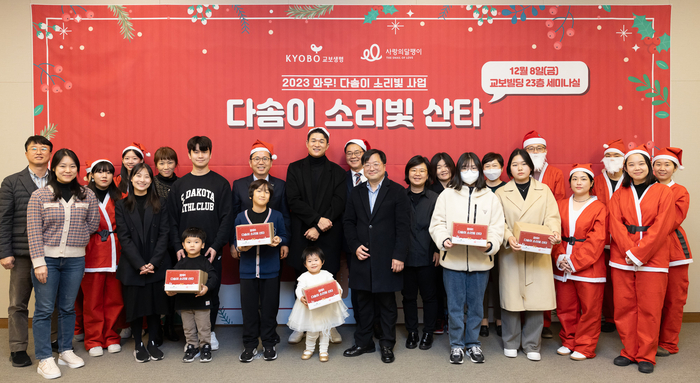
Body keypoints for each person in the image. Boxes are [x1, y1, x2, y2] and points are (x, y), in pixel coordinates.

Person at [27, 148, 100, 379]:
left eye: (72, 166)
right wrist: (39, 262)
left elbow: (93, 223)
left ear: (77, 169)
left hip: (75, 260)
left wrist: (76, 241)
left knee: (68, 308)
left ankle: (65, 350)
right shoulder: (40, 196)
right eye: (62, 166)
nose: (67, 170)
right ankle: (44, 358)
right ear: (54, 168)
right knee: (45, 309)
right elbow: (33, 232)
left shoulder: (87, 194)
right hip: (46, 259)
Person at [430, 152, 505, 364]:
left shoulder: (490, 197)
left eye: (473, 168)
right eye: (465, 168)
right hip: (452, 260)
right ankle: (456, 344)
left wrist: (491, 244)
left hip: (481, 262)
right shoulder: (447, 195)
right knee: (454, 306)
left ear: (480, 171)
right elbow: (437, 224)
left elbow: (497, 228)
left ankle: (473, 343)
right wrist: (443, 239)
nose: (469, 172)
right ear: (458, 170)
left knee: (476, 306)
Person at [608, 144, 675, 374]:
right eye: (631, 164)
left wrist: (639, 253)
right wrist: (629, 252)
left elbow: (663, 226)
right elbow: (615, 225)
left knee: (650, 308)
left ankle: (646, 354)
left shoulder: (664, 192)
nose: (636, 168)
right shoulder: (619, 193)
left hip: (653, 257)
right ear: (626, 168)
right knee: (624, 307)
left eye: (641, 163)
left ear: (649, 166)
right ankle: (629, 351)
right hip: (622, 258)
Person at [343, 149, 410, 363]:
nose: (371, 168)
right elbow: (348, 223)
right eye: (367, 164)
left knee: (387, 303)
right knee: (362, 303)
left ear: (384, 166)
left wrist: (399, 255)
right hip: (362, 256)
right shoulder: (356, 192)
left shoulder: (397, 192)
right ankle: (364, 342)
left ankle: (387, 344)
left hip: (387, 258)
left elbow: (403, 226)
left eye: (375, 164)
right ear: (363, 168)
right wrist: (354, 246)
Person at [495, 149, 561, 362]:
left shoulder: (544, 190)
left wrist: (553, 233)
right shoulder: (501, 193)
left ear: (531, 167)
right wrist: (507, 236)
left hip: (538, 251)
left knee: (536, 299)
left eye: (524, 164)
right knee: (511, 299)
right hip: (511, 252)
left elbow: (552, 217)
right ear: (509, 169)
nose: (520, 168)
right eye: (515, 164)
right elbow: (498, 221)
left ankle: (533, 343)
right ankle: (511, 342)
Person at [168, 136, 233, 351]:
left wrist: (216, 245)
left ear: (210, 153)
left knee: (211, 291)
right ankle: (191, 338)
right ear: (189, 155)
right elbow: (172, 220)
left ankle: (210, 332)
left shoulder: (221, 183)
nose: (200, 155)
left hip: (211, 252)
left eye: (204, 151)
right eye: (195, 151)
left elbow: (227, 218)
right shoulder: (179, 185)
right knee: (186, 295)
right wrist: (178, 246)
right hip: (186, 253)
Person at [285, 127, 346, 344]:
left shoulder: (338, 172)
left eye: (322, 141)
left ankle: (330, 326)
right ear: (307, 143)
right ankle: (301, 326)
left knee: (328, 279)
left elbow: (339, 201)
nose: (317, 144)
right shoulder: (294, 168)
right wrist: (315, 221)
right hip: (302, 231)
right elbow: (293, 199)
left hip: (328, 233)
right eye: (314, 140)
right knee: (302, 279)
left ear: (328, 145)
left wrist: (320, 227)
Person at [0, 135, 53, 368]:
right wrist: (4, 252)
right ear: (26, 153)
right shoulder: (11, 182)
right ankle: (18, 348)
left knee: (50, 301)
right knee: (18, 303)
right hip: (21, 253)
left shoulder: (60, 180)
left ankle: (52, 343)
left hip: (51, 251)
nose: (39, 152)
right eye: (34, 148)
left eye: (44, 148)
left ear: (51, 153)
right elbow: (4, 219)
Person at [115, 163, 171, 363]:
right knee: (136, 306)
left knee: (156, 306)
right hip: (133, 265)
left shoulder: (161, 203)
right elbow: (124, 237)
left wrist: (154, 262)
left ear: (151, 180)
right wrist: (140, 264)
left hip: (157, 262)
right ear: (131, 179)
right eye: (138, 176)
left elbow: (165, 233)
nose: (142, 180)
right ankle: (138, 343)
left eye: (147, 176)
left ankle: (153, 342)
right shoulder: (121, 205)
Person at [551, 164, 607, 361]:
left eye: (583, 178)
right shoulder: (560, 204)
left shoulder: (599, 207)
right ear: (570, 183)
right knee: (565, 306)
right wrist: (559, 257)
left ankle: (585, 346)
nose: (579, 182)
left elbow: (597, 239)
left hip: (588, 266)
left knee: (590, 308)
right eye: (575, 179)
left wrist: (574, 261)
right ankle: (569, 340)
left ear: (591, 182)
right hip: (562, 262)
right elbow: (554, 232)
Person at [232, 179, 287, 362]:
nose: (262, 194)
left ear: (270, 197)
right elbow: (236, 242)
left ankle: (269, 344)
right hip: (247, 270)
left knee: (269, 309)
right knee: (249, 310)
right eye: (258, 191)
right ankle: (250, 345)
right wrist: (241, 248)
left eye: (266, 192)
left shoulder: (276, 215)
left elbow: (284, 235)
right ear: (250, 195)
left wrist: (279, 240)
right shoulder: (241, 217)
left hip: (270, 270)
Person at [79, 159, 125, 357]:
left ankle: (112, 336)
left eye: (108, 172)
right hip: (91, 251)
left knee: (115, 299)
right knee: (92, 300)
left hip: (116, 250)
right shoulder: (81, 196)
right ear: (91, 175)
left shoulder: (121, 196)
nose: (104, 176)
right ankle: (94, 339)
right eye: (99, 172)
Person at [522, 130, 564, 339]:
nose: (535, 152)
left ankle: (545, 322)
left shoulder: (555, 174)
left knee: (543, 280)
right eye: (531, 149)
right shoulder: (518, 172)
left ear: (546, 151)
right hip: (522, 235)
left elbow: (558, 206)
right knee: (521, 278)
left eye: (539, 148)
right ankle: (522, 320)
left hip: (545, 234)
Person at [653, 148, 693, 357]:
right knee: (652, 299)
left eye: (667, 165)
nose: (662, 168)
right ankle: (649, 339)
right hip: (649, 252)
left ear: (675, 168)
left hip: (675, 251)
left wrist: (647, 232)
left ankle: (668, 343)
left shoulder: (680, 191)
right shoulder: (645, 189)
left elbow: (673, 219)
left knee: (674, 298)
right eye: (658, 164)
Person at [401, 155, 439, 351]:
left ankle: (428, 333)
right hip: (405, 257)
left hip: (428, 255)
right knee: (408, 297)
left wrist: (439, 250)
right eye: (413, 170)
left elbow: (441, 226)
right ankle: (412, 332)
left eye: (422, 170)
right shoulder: (400, 196)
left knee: (429, 297)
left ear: (427, 175)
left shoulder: (435, 198)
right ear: (408, 173)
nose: (417, 174)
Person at [287, 246, 349, 362]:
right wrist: (301, 297)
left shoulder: (326, 274)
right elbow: (299, 289)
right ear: (305, 265)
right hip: (310, 311)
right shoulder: (304, 277)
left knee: (325, 331)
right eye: (309, 261)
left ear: (322, 261)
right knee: (311, 331)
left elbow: (334, 284)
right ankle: (309, 349)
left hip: (325, 310)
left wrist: (339, 290)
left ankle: (323, 351)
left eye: (316, 260)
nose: (313, 263)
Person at [230, 140, 290, 259]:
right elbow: (233, 216)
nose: (261, 162)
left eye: (265, 159)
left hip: (273, 247)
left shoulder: (280, 185)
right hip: (246, 248)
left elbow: (285, 216)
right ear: (250, 163)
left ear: (271, 162)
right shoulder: (239, 185)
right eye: (257, 158)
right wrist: (233, 243)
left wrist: (285, 242)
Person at [166, 227, 218, 363]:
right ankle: (192, 347)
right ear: (183, 245)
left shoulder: (205, 262)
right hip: (184, 303)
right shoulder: (180, 264)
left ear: (203, 245)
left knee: (204, 327)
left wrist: (207, 287)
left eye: (196, 242)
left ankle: (205, 347)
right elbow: (172, 280)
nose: (192, 245)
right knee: (188, 328)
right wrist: (169, 290)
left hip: (202, 302)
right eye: (189, 242)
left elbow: (213, 278)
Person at [591, 139, 626, 333]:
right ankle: (609, 318)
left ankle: (623, 319)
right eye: (608, 156)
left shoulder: (631, 180)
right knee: (603, 282)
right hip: (601, 239)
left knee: (622, 283)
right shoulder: (595, 181)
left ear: (624, 159)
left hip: (624, 241)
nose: (612, 159)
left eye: (616, 156)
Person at [153, 146, 180, 342]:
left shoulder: (182, 183)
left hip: (178, 241)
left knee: (176, 285)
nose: (166, 166)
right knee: (158, 287)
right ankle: (157, 328)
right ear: (156, 165)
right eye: (162, 163)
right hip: (158, 242)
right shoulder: (150, 183)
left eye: (170, 162)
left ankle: (172, 325)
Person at [428, 152, 456, 334]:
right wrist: (436, 248)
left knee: (455, 287)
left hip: (459, 245)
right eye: (438, 167)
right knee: (437, 285)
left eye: (446, 166)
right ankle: (439, 318)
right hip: (438, 246)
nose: (443, 170)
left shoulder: (462, 188)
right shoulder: (431, 191)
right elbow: (431, 224)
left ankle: (454, 320)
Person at [480, 152, 506, 337]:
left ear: (502, 168)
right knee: (481, 282)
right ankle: (482, 319)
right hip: (480, 242)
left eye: (494, 166)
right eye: (487, 166)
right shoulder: (478, 188)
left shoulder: (507, 189)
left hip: (503, 242)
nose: (491, 170)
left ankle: (499, 318)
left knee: (500, 281)